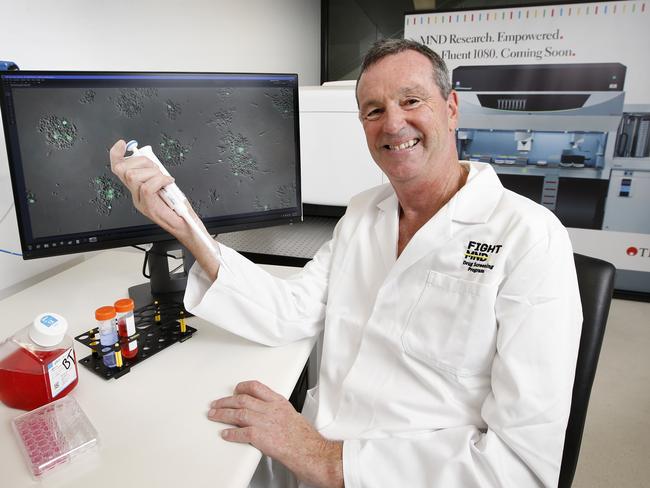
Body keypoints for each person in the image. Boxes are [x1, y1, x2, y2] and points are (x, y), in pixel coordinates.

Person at [110, 38, 582, 488]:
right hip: (312, 445)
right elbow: (290, 311)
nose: (393, 124)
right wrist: (186, 226)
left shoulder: (529, 238)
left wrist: (325, 460)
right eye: (374, 111)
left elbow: (520, 467)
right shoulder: (363, 214)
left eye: (412, 101)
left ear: (452, 108)